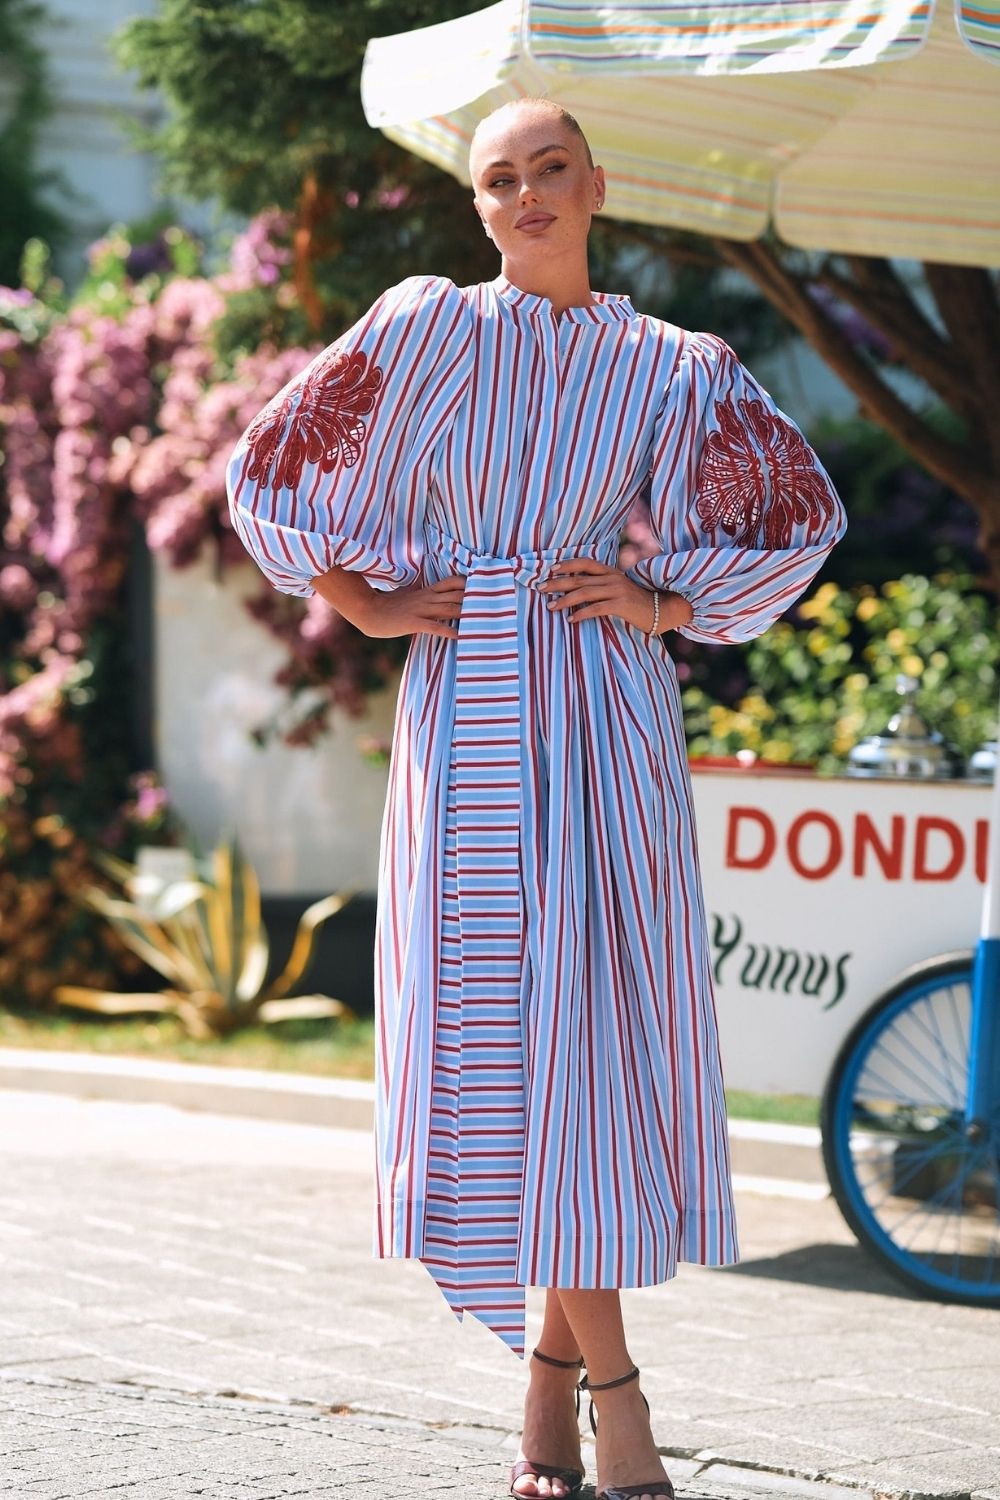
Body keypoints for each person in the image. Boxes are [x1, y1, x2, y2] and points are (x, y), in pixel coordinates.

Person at [226, 96, 846, 1500]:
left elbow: (795, 515)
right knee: (505, 1047)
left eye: (549, 169)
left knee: (588, 1042)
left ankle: (556, 1391)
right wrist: (364, 602)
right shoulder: (428, 330)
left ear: (595, 184)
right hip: (467, 719)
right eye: (499, 179)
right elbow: (277, 467)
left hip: (605, 720)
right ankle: (611, 1397)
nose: (526, 196)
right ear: (478, 205)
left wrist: (663, 600)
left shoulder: (671, 364)